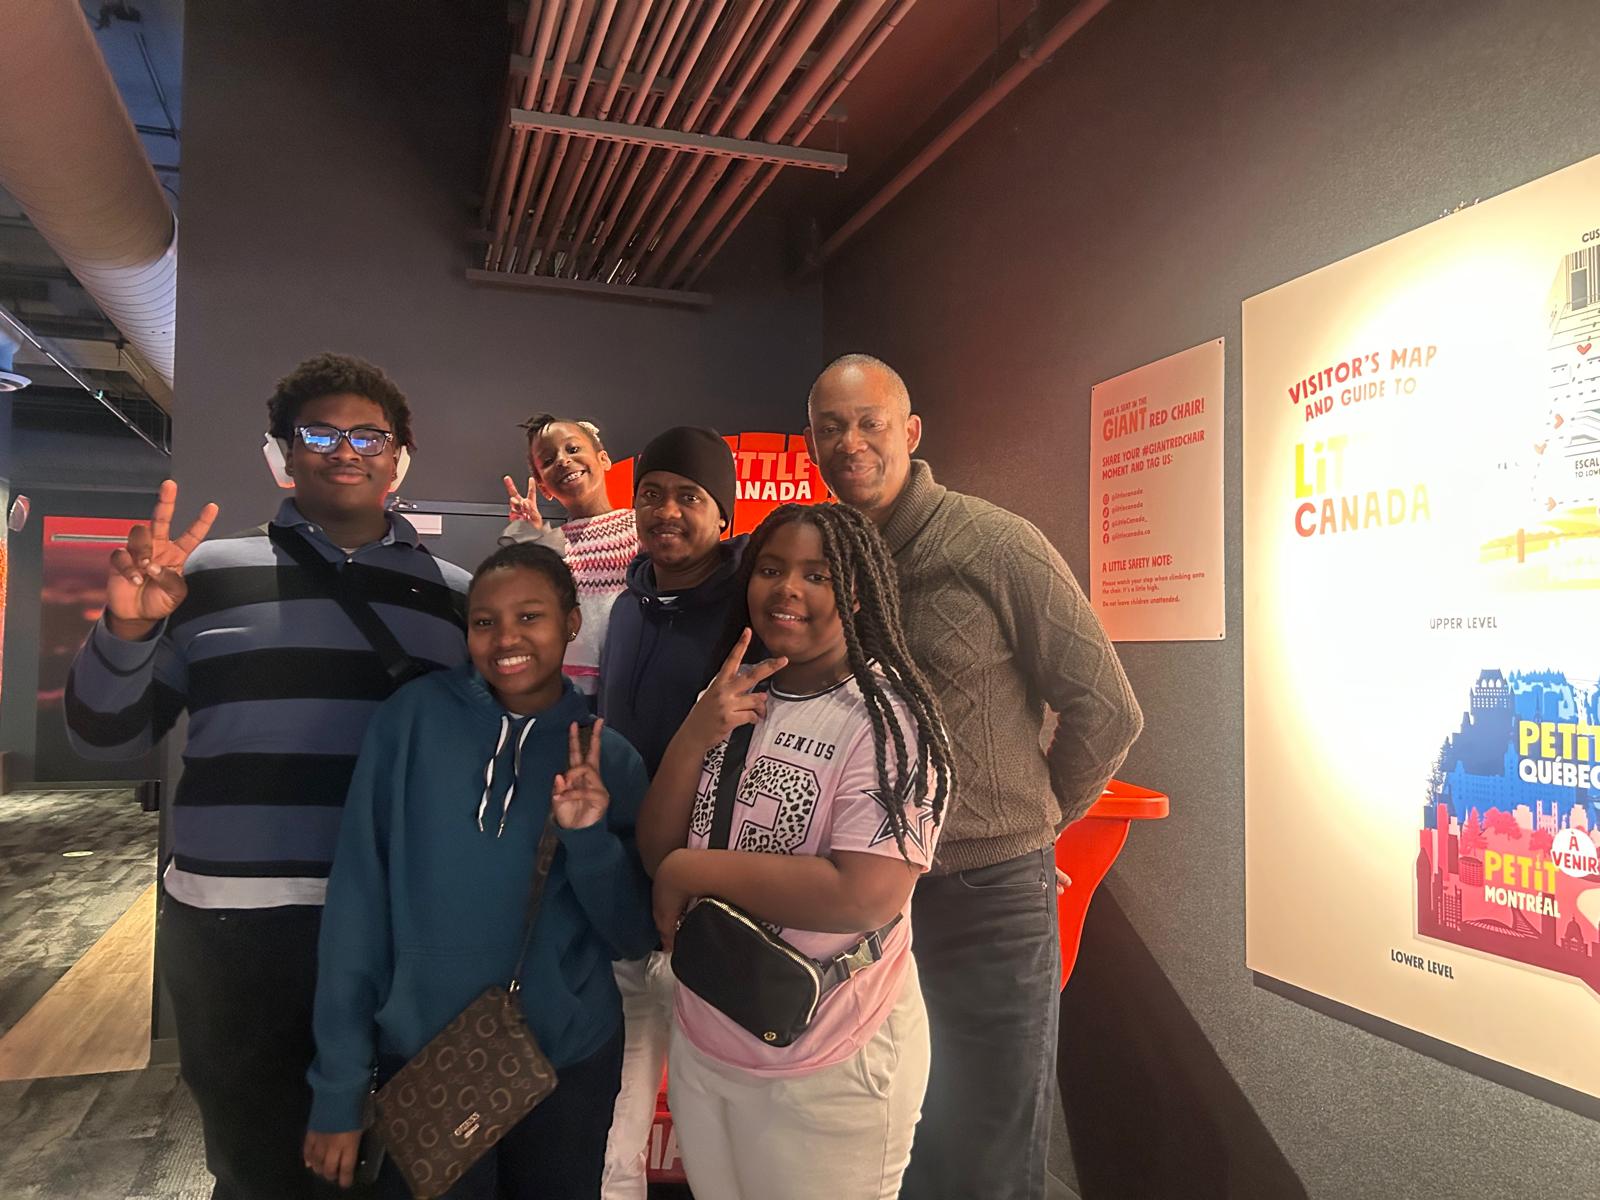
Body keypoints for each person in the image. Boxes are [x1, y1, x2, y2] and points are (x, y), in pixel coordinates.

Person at [64, 353, 472, 1200]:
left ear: (400, 456)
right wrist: (127, 630)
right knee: (255, 1162)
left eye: (369, 435)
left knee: (402, 1156)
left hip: (398, 920)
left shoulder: (457, 597)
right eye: (319, 434)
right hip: (233, 928)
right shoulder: (201, 577)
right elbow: (105, 735)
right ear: (285, 451)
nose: (346, 450)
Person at [804, 353, 1144, 1200]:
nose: (851, 442)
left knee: (988, 1152)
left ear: (911, 432)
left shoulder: (996, 543)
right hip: (864, 905)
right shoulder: (826, 563)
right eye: (831, 428)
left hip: (987, 903)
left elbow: (1107, 708)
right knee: (890, 1145)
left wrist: (1033, 827)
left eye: (870, 422)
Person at [304, 543, 656, 1199]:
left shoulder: (606, 757)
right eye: (485, 622)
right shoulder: (409, 723)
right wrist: (339, 1084)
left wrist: (588, 839)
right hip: (423, 1055)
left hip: (565, 1063)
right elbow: (357, 907)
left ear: (571, 623)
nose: (506, 639)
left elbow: (632, 934)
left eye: (530, 617)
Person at [639, 502, 955, 1200]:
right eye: (772, 569)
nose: (788, 588)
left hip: (829, 1057)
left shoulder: (890, 719)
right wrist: (694, 734)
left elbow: (864, 895)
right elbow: (657, 849)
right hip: (709, 1030)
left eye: (819, 575)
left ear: (858, 593)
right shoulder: (731, 693)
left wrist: (692, 870)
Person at [595, 425, 743, 1199]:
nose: (667, 511)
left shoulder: (750, 613)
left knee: (720, 1130)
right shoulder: (627, 609)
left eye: (689, 496)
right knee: (614, 1133)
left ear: (723, 513)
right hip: (623, 902)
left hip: (715, 912)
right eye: (651, 494)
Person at [501, 413, 637, 702]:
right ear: (543, 486)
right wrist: (527, 538)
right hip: (569, 693)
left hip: (631, 682)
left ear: (603, 459)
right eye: (548, 461)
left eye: (573, 449)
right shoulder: (550, 545)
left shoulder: (640, 528)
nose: (563, 460)